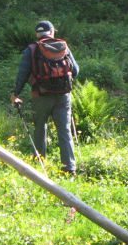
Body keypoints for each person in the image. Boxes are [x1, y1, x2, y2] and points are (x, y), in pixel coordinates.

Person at [11, 20, 79, 174]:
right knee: (65, 130)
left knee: (40, 128)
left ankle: (39, 164)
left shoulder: (32, 49)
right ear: (52, 32)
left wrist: (16, 93)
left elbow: (23, 74)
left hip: (41, 95)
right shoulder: (63, 46)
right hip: (63, 96)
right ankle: (69, 168)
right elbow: (75, 71)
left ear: (37, 34)